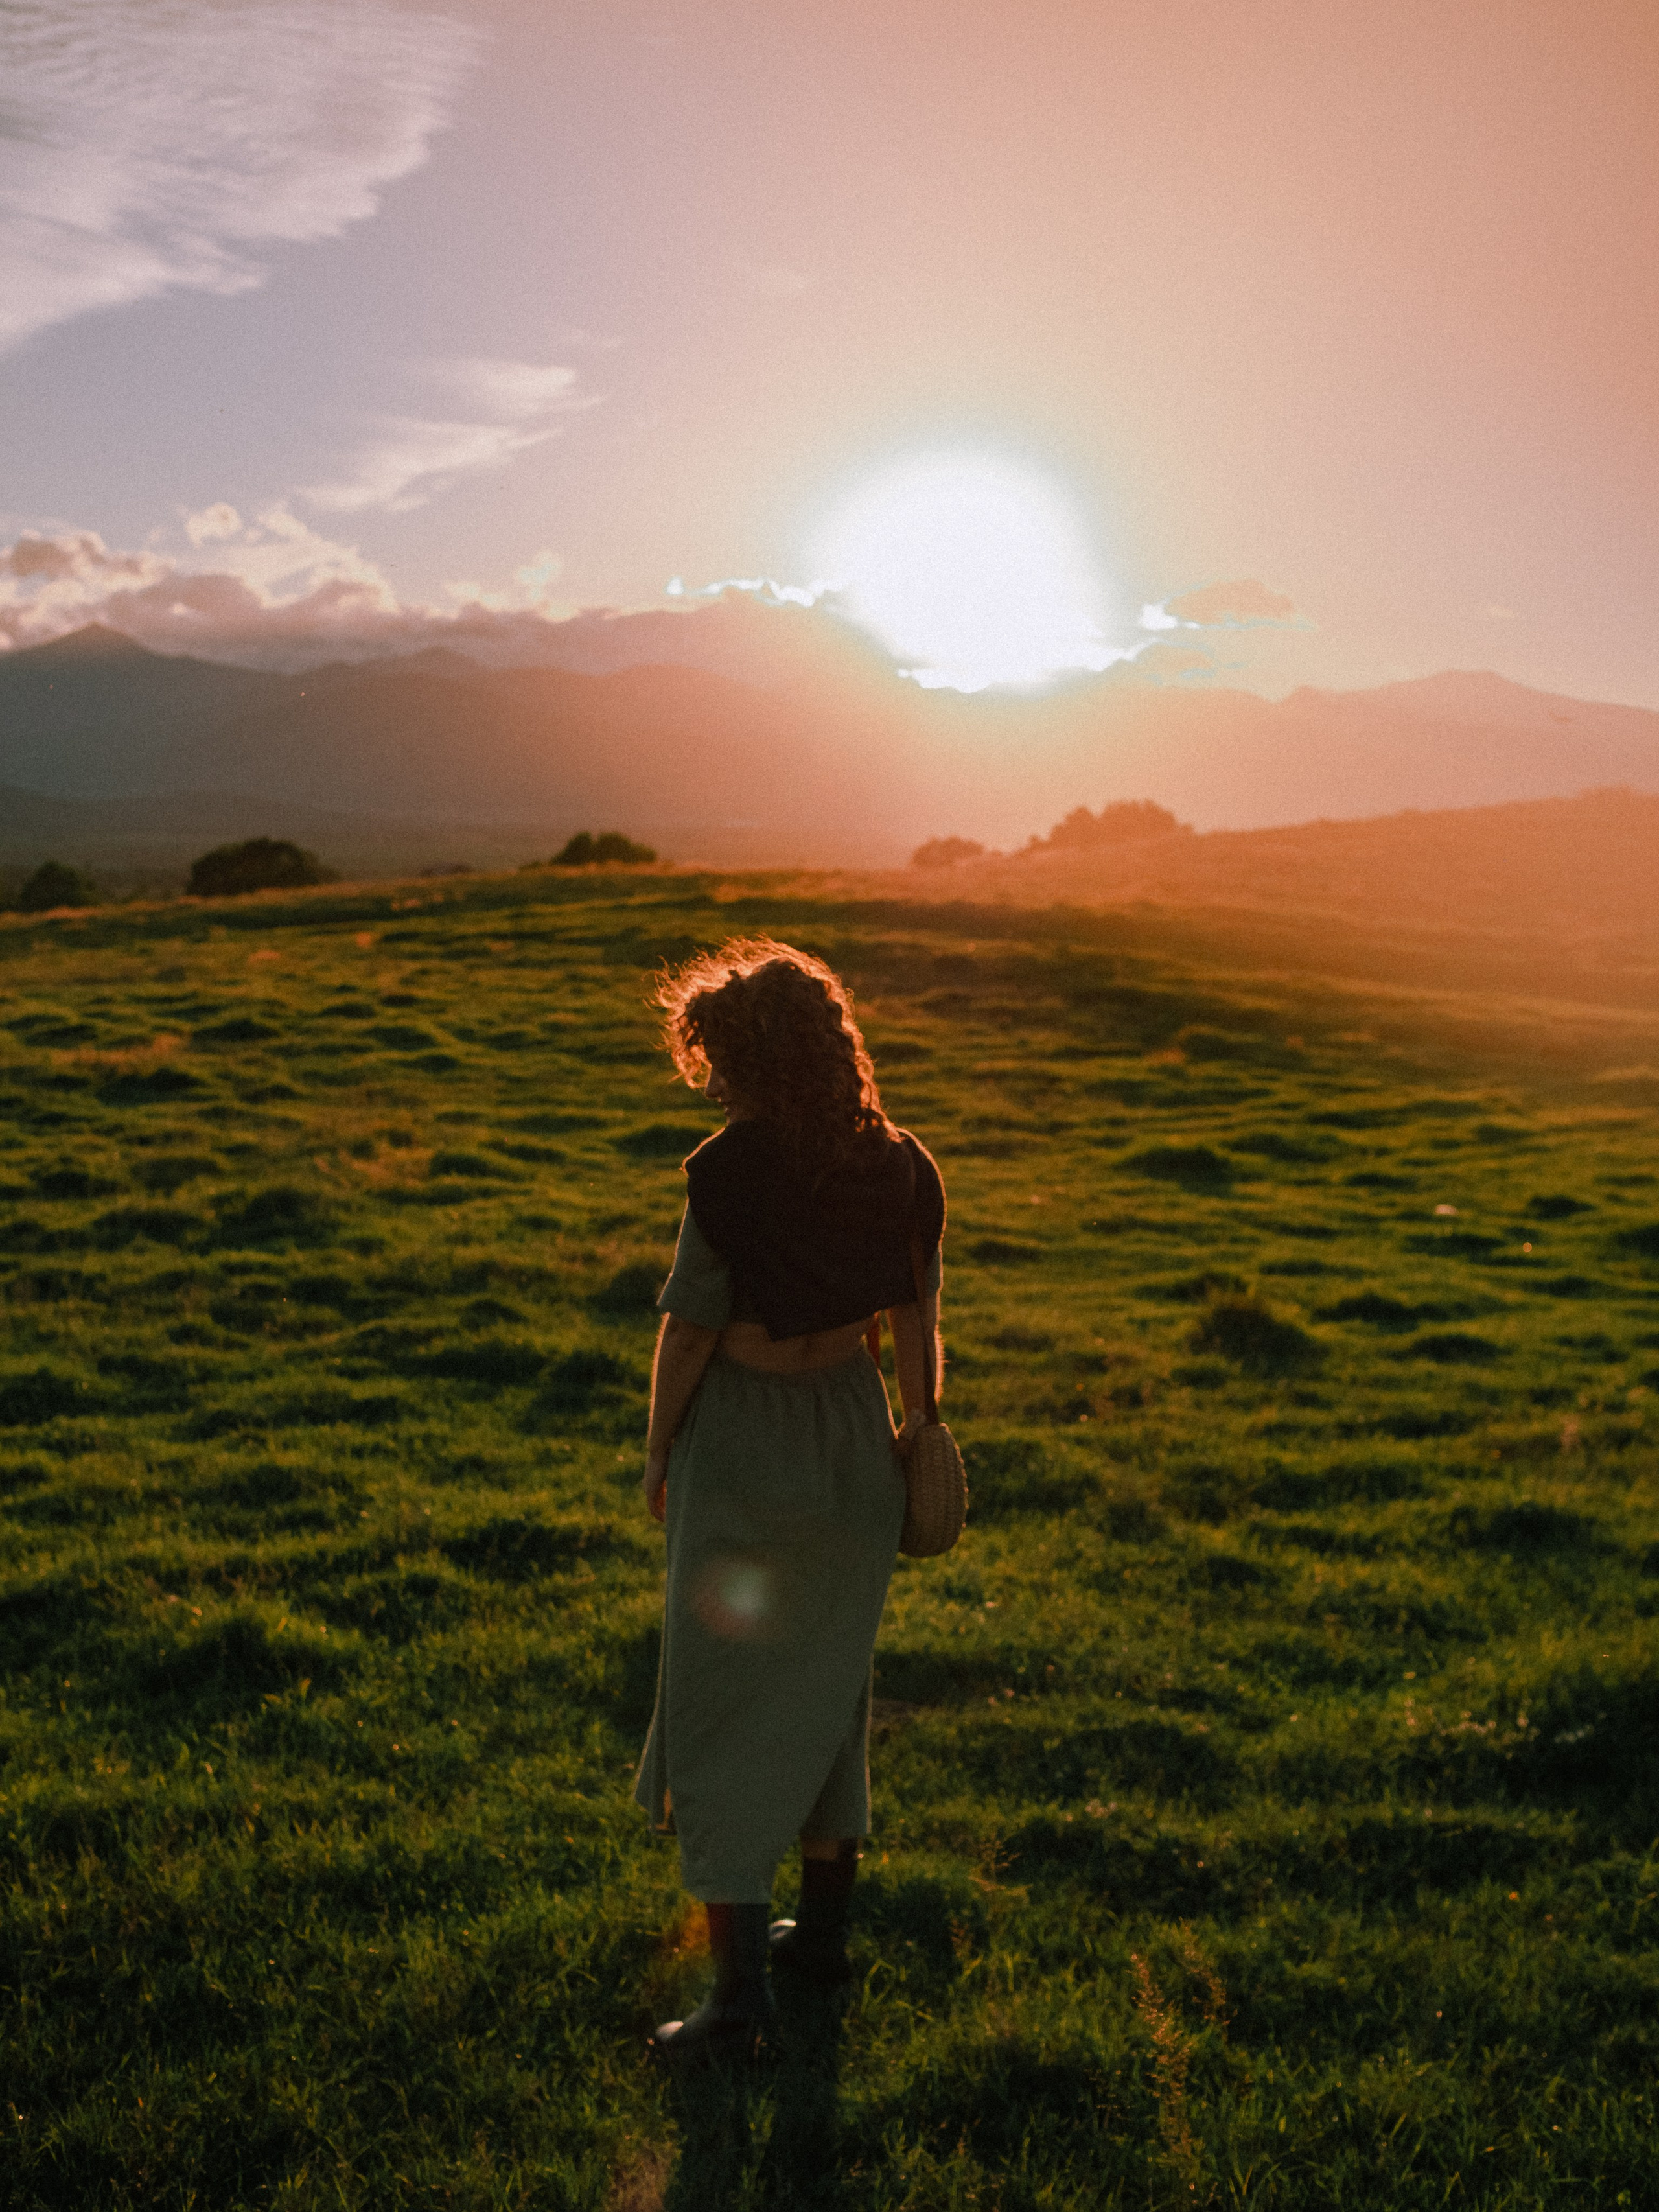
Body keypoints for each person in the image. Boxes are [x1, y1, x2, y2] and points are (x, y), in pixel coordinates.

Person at [633, 937, 946, 2061]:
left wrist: (659, 1449)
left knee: (719, 1702)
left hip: (749, 1440)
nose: (713, 1076)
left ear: (752, 1058)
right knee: (830, 1689)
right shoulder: (902, 1161)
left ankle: (739, 2002)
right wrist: (917, 1434)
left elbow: (690, 1330)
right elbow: (918, 1322)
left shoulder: (728, 1172)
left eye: (720, 1056)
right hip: (855, 1436)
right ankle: (820, 1942)